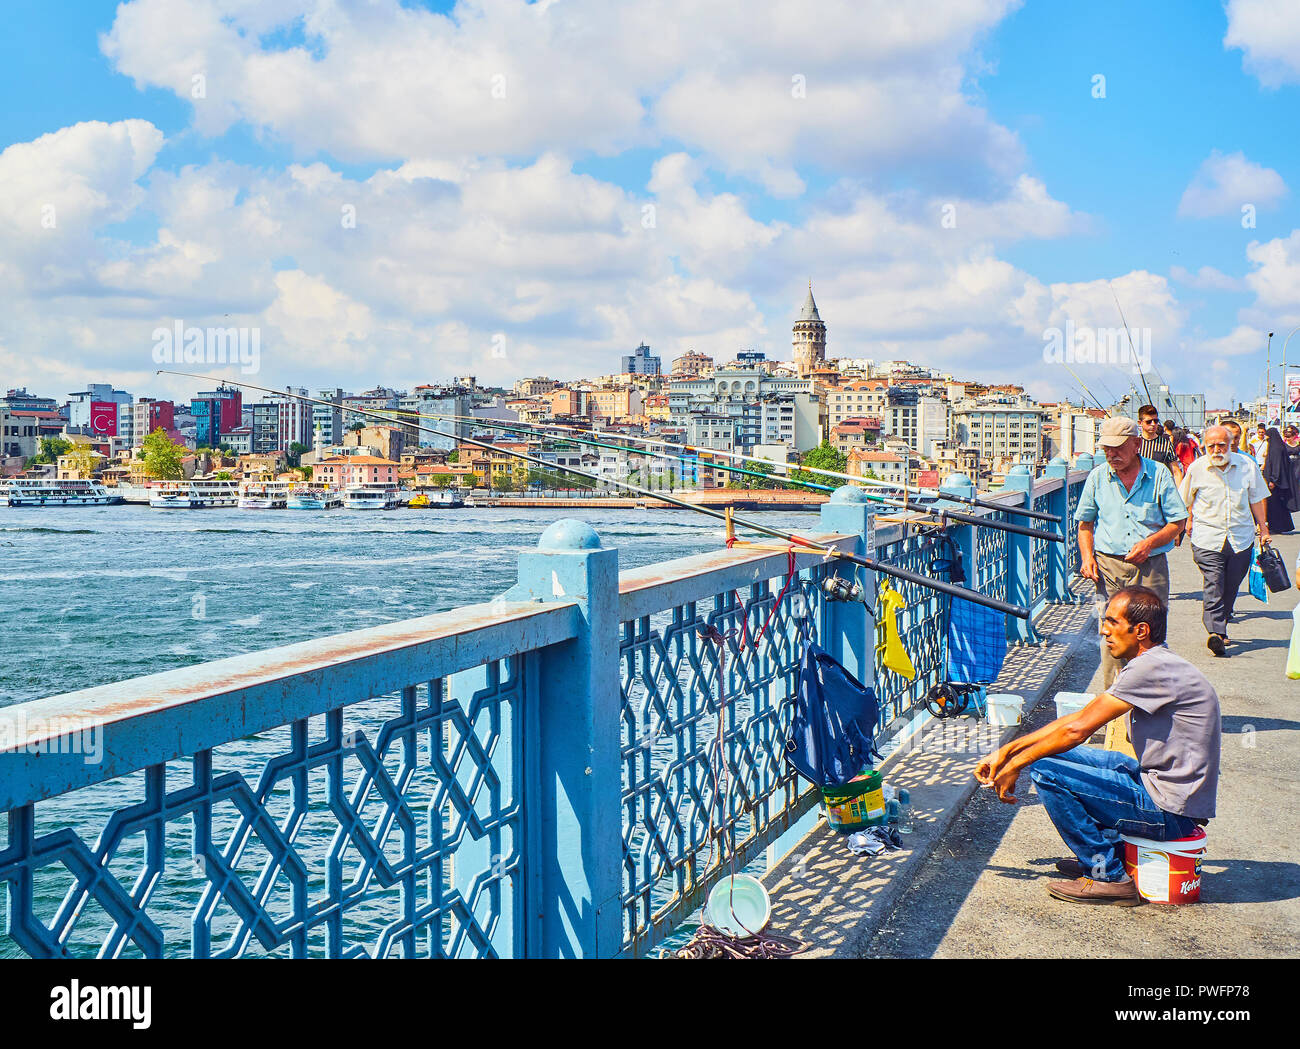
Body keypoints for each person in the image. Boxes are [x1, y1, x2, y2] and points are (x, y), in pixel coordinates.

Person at [975, 587, 1219, 906]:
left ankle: (1107, 874)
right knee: (1061, 755)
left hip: (1172, 810)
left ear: (1140, 630)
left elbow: (1077, 730)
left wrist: (1017, 764)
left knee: (1047, 771)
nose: (1103, 629)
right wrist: (1007, 752)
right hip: (1167, 792)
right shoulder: (1155, 661)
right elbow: (1077, 720)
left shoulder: (1150, 669)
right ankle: (1109, 852)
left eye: (1112, 622)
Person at [1075, 416, 1188, 687]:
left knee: (1148, 632)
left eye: (1118, 448)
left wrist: (1149, 542)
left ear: (1137, 444)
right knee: (1112, 632)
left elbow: (1178, 522)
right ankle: (1114, 698)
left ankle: (1150, 695)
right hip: (1108, 565)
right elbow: (1085, 524)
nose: (1112, 455)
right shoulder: (1097, 477)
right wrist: (1087, 557)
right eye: (1107, 449)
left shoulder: (1158, 474)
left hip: (1150, 565)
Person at [1179, 425, 1270, 657]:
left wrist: (1264, 528)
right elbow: (1185, 500)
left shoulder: (1247, 465)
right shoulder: (1197, 468)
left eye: (1222, 445)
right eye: (1212, 446)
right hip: (1207, 537)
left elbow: (1257, 499)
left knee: (1231, 585)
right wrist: (1185, 523)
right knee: (1214, 582)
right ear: (1204, 447)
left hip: (1241, 536)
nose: (1217, 450)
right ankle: (1216, 632)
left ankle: (1222, 619)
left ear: (1231, 444)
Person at [1262, 426, 1296, 534]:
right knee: (1277, 505)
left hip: (1275, 482)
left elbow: (1276, 465)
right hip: (1277, 481)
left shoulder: (1276, 448)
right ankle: (1278, 526)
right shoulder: (1276, 446)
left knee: (1275, 505)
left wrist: (1273, 480)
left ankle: (1278, 526)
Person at [1137, 403, 1182, 483]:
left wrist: (1179, 493)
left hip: (1159, 488)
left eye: (1156, 421)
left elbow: (1176, 472)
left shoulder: (1166, 444)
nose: (1153, 424)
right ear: (1140, 423)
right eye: (1149, 422)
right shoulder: (1134, 443)